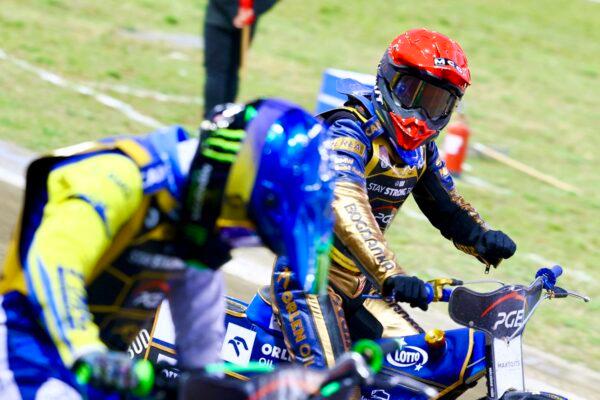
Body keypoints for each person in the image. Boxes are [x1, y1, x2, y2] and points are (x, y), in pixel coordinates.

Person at [0, 98, 335, 399]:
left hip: (94, 366)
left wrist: (213, 383)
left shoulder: (193, 228)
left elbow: (201, 356)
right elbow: (55, 262)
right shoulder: (118, 176)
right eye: (245, 224)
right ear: (232, 186)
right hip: (22, 349)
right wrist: (85, 349)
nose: (236, 239)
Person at [272, 28, 517, 369]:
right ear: (388, 80)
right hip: (310, 281)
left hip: (364, 287)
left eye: (436, 103)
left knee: (427, 369)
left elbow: (447, 207)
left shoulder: (422, 151)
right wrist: (391, 273)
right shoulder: (348, 131)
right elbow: (346, 205)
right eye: (412, 92)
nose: (421, 114)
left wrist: (482, 238)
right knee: (334, 387)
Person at [203, 0, 278, 117]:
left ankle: (227, 117)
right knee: (217, 72)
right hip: (220, 18)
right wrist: (235, 11)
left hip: (246, 22)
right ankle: (213, 117)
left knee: (232, 71)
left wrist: (252, 10)